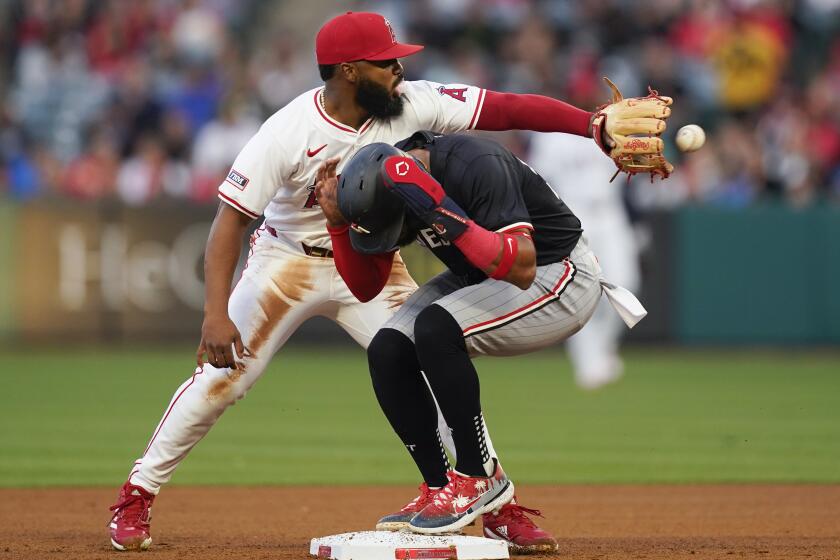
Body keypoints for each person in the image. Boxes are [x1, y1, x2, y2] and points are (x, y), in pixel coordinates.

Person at [108, 11, 609, 552]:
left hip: (372, 254)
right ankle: (138, 493)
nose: (398, 68)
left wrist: (590, 125)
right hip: (288, 260)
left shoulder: (409, 101)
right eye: (385, 60)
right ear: (348, 71)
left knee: (432, 362)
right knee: (220, 381)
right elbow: (229, 220)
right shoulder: (288, 130)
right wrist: (214, 312)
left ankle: (492, 503)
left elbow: (505, 106)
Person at [314, 132, 647, 540]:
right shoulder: (392, 185)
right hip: (482, 272)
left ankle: (479, 476)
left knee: (436, 328)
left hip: (559, 274)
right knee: (388, 348)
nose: (396, 235)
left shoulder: (476, 163)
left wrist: (437, 207)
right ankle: (440, 487)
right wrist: (335, 224)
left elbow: (522, 267)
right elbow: (366, 288)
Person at [529, 132, 641, 389]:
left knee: (626, 284)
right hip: (574, 213)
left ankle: (603, 349)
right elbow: (539, 181)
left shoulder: (613, 129)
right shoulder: (550, 137)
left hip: (611, 213)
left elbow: (628, 181)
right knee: (581, 291)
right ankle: (588, 364)